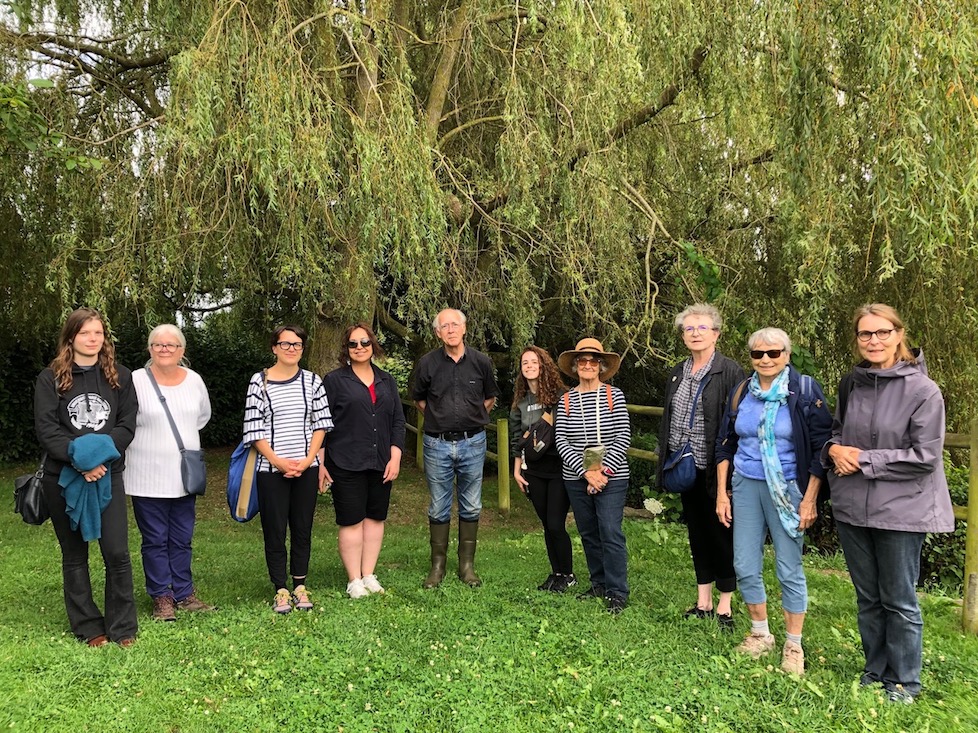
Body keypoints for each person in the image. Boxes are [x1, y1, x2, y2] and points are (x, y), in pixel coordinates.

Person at [823, 304, 954, 704]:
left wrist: (862, 458)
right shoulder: (852, 383)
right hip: (853, 508)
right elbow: (837, 432)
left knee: (899, 599)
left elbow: (925, 457)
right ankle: (874, 669)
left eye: (882, 333)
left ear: (899, 334)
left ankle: (904, 682)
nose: (874, 341)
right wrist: (833, 449)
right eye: (865, 334)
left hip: (902, 510)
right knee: (868, 597)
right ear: (857, 340)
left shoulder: (923, 391)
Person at [715, 328, 832, 675]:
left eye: (774, 353)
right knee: (745, 564)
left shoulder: (804, 391)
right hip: (746, 484)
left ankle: (793, 643)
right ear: (750, 357)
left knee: (789, 567)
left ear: (787, 354)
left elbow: (821, 449)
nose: (765, 359)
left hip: (788, 488)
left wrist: (809, 499)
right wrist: (722, 492)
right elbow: (725, 443)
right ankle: (760, 633)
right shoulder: (741, 392)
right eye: (758, 354)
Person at [33, 307, 139, 647]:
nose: (93, 339)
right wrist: (81, 461)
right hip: (63, 477)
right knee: (75, 555)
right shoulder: (50, 378)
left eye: (98, 333)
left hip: (109, 474)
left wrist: (100, 459)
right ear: (71, 337)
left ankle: (122, 627)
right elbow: (48, 430)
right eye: (85, 333)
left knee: (117, 552)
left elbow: (126, 425)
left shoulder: (120, 376)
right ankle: (90, 627)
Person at [658, 304, 744, 628]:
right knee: (696, 532)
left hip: (718, 469)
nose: (695, 333)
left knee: (721, 533)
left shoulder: (731, 372)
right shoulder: (677, 372)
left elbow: (738, 423)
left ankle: (725, 605)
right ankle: (703, 600)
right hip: (685, 466)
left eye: (702, 328)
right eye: (689, 329)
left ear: (716, 334)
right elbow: (668, 418)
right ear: (683, 336)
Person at [124, 324, 216, 622]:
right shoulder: (135, 380)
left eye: (171, 345)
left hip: (183, 475)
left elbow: (202, 417)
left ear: (182, 351)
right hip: (146, 474)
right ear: (150, 349)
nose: (164, 349)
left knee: (182, 536)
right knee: (154, 539)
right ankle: (162, 597)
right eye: (158, 344)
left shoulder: (194, 381)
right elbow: (124, 420)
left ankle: (184, 592)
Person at [243, 325, 332, 613]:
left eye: (297, 344)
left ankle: (300, 585)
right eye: (285, 344)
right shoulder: (260, 382)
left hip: (306, 468)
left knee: (302, 527)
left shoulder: (313, 381)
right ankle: (280, 588)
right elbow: (254, 430)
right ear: (274, 347)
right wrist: (279, 462)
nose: (291, 349)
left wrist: (307, 461)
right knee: (275, 528)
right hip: (270, 470)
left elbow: (321, 423)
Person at [412, 308, 500, 588]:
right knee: (439, 505)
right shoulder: (426, 364)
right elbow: (420, 400)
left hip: (473, 442)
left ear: (464, 328)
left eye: (455, 324)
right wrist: (441, 420)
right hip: (437, 444)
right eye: (444, 326)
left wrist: (469, 419)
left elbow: (489, 398)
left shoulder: (481, 362)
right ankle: (437, 566)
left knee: (471, 503)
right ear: (437, 333)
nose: (450, 330)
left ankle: (467, 566)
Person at [321, 323, 406, 599]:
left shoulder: (387, 381)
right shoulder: (334, 381)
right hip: (345, 461)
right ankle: (353, 580)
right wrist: (320, 463)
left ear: (373, 345)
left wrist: (395, 455)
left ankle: (369, 574)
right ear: (346, 349)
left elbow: (397, 421)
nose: (359, 348)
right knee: (351, 521)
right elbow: (322, 424)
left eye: (365, 343)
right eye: (353, 344)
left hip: (381, 460)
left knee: (375, 519)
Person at [555, 338, 631, 614]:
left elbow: (623, 435)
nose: (587, 365)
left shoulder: (614, 395)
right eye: (582, 361)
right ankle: (598, 583)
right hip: (577, 477)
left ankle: (617, 590)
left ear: (601, 366)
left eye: (593, 361)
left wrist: (603, 471)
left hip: (612, 476)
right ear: (575, 367)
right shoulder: (565, 399)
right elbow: (561, 439)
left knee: (610, 530)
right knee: (588, 532)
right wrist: (586, 472)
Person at [509, 346, 574, 592]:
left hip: (559, 469)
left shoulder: (561, 396)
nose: (529, 366)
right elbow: (518, 439)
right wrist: (517, 471)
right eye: (524, 363)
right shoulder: (521, 403)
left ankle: (568, 573)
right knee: (547, 524)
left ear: (543, 364)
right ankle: (556, 573)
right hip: (533, 471)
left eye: (533, 361)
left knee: (556, 524)